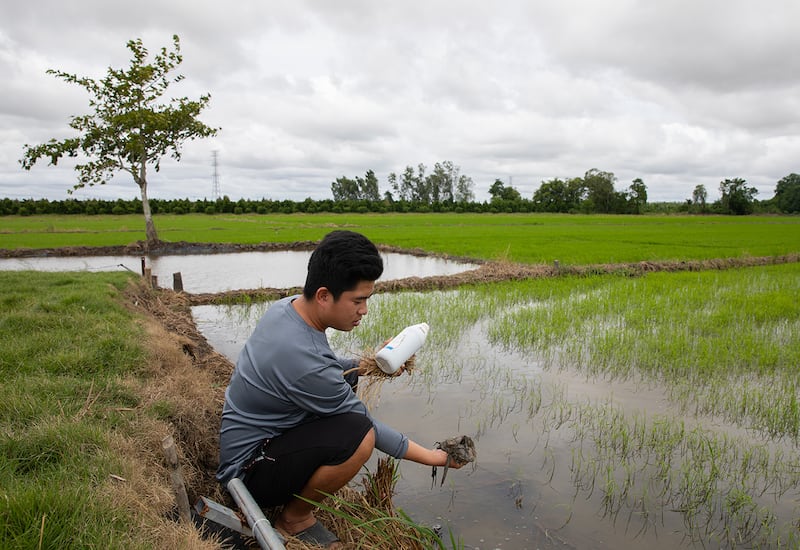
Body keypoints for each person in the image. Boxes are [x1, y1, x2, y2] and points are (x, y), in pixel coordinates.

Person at [217, 230, 462, 548]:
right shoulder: (303, 361)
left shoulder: (287, 310)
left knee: (350, 427)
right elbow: (364, 424)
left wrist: (372, 365)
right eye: (357, 300)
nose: (364, 310)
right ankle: (294, 518)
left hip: (256, 444)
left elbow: (325, 365)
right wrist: (434, 457)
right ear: (323, 295)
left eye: (367, 300)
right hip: (247, 473)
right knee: (358, 435)